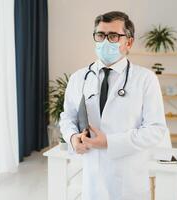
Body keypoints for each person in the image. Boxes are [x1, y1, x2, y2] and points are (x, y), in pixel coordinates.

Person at [59, 11, 167, 200]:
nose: (105, 42)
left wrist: (110, 142)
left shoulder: (145, 79)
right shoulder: (79, 78)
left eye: (113, 36)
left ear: (129, 42)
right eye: (100, 35)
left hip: (128, 179)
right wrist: (72, 137)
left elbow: (155, 130)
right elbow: (67, 116)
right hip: (92, 175)